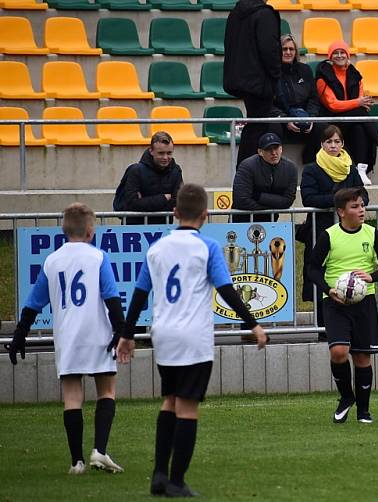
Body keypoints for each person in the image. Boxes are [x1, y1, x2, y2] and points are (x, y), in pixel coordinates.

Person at [116, 184, 268, 497]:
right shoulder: (207, 247)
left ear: (174, 213)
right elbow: (227, 289)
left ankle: (159, 474)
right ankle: (177, 481)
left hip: (164, 335)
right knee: (187, 408)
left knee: (170, 400)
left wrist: (127, 334)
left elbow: (140, 294)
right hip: (193, 336)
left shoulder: (156, 248)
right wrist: (252, 324)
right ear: (205, 215)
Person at [6, 203, 126, 474]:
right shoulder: (98, 257)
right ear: (90, 230)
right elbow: (110, 295)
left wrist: (20, 335)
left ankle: (77, 461)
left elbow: (33, 303)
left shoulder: (52, 260)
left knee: (72, 398)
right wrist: (121, 329)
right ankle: (100, 451)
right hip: (98, 334)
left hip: (68, 337)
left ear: (63, 230)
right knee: (106, 391)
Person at [306, 187, 378, 424]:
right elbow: (312, 268)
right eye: (355, 206)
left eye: (362, 205)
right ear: (341, 212)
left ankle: (363, 411)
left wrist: (371, 277)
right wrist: (328, 289)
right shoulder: (329, 236)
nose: (361, 210)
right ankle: (346, 397)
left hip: (364, 303)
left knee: (362, 359)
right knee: (339, 351)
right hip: (335, 303)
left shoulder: (373, 234)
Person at [299, 125, 369, 334]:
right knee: (323, 276)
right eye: (329, 142)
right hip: (320, 230)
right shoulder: (312, 169)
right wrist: (342, 200)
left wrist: (349, 203)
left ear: (343, 144)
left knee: (348, 276)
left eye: (337, 142)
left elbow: (363, 195)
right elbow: (309, 198)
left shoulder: (350, 168)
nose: (333, 146)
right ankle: (323, 326)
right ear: (322, 144)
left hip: (349, 233)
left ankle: (349, 324)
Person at [315, 41, 378, 185]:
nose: (339, 55)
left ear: (347, 55)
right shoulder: (322, 76)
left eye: (342, 52)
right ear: (330, 57)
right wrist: (358, 103)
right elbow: (332, 105)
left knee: (359, 128)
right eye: (335, 53)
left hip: (352, 119)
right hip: (331, 120)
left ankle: (361, 170)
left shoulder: (355, 75)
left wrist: (359, 104)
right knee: (359, 112)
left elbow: (361, 101)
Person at [223, 0, 282, 165]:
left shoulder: (235, 13)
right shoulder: (264, 14)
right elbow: (269, 49)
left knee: (254, 124)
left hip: (241, 77)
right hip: (259, 81)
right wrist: (276, 75)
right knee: (257, 127)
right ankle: (246, 172)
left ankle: (245, 171)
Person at [269, 34, 325, 165]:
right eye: (284, 49)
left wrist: (310, 118)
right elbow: (268, 104)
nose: (288, 52)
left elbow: (313, 98)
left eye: (291, 49)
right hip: (283, 121)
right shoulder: (271, 73)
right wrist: (285, 120)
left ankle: (310, 164)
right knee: (272, 126)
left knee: (324, 128)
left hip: (305, 121)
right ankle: (275, 166)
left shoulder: (305, 70)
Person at [119, 131, 184, 225]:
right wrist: (164, 198)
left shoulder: (176, 171)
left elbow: (178, 203)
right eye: (161, 153)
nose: (165, 157)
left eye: (169, 153)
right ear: (151, 151)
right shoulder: (135, 171)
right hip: (135, 231)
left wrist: (144, 202)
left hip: (163, 229)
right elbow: (131, 204)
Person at [232, 132, 298, 223]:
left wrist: (258, 196)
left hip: (270, 222)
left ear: (281, 148)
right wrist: (273, 207)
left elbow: (288, 201)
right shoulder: (247, 166)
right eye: (268, 149)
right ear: (260, 152)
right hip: (242, 221)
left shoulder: (290, 168)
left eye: (276, 148)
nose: (274, 153)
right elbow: (241, 200)